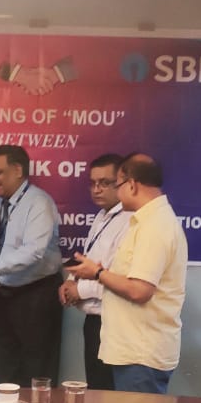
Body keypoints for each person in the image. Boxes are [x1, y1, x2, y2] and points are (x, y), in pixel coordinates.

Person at [65, 153, 186, 394]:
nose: (118, 194)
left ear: (131, 185)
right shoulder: (145, 222)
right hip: (129, 349)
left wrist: (97, 272)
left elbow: (140, 290)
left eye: (117, 185)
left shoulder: (154, 226)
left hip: (140, 354)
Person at [0, 145, 63, 386]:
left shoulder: (39, 202)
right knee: (6, 367)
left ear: (17, 170)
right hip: (3, 295)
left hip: (36, 296)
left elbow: (34, 251)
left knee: (37, 371)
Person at [59, 153, 131, 389]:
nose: (97, 189)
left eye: (105, 183)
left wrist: (79, 290)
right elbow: (89, 259)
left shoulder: (130, 220)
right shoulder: (102, 216)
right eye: (93, 183)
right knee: (97, 392)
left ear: (122, 182)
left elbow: (119, 277)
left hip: (115, 321)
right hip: (94, 321)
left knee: (110, 395)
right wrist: (70, 281)